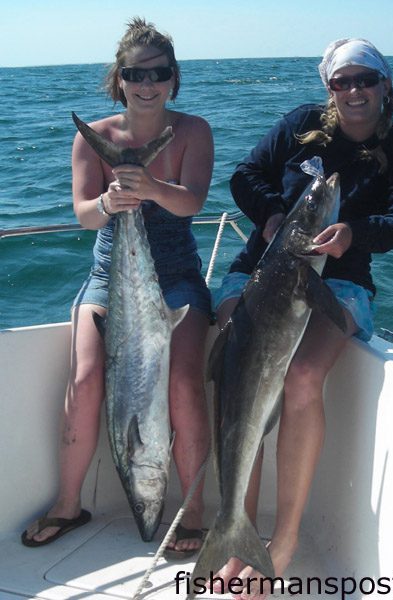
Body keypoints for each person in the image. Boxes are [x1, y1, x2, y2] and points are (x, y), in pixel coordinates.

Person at [212, 38, 393, 599]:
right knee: (233, 378)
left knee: (302, 377)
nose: (354, 91)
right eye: (342, 82)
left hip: (338, 279)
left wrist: (356, 234)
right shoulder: (300, 125)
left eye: (366, 80)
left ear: (385, 85)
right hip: (260, 270)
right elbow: (245, 174)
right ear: (328, 88)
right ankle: (238, 539)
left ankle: (282, 545)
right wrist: (268, 216)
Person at [21, 17, 213, 558]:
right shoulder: (95, 140)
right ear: (119, 78)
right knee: (85, 380)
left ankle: (192, 511)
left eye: (159, 73)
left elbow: (193, 202)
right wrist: (108, 203)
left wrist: (150, 187)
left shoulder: (193, 131)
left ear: (173, 78)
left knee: (184, 383)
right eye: (135, 73)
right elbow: (84, 214)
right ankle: (67, 503)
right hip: (111, 273)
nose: (147, 83)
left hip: (176, 275)